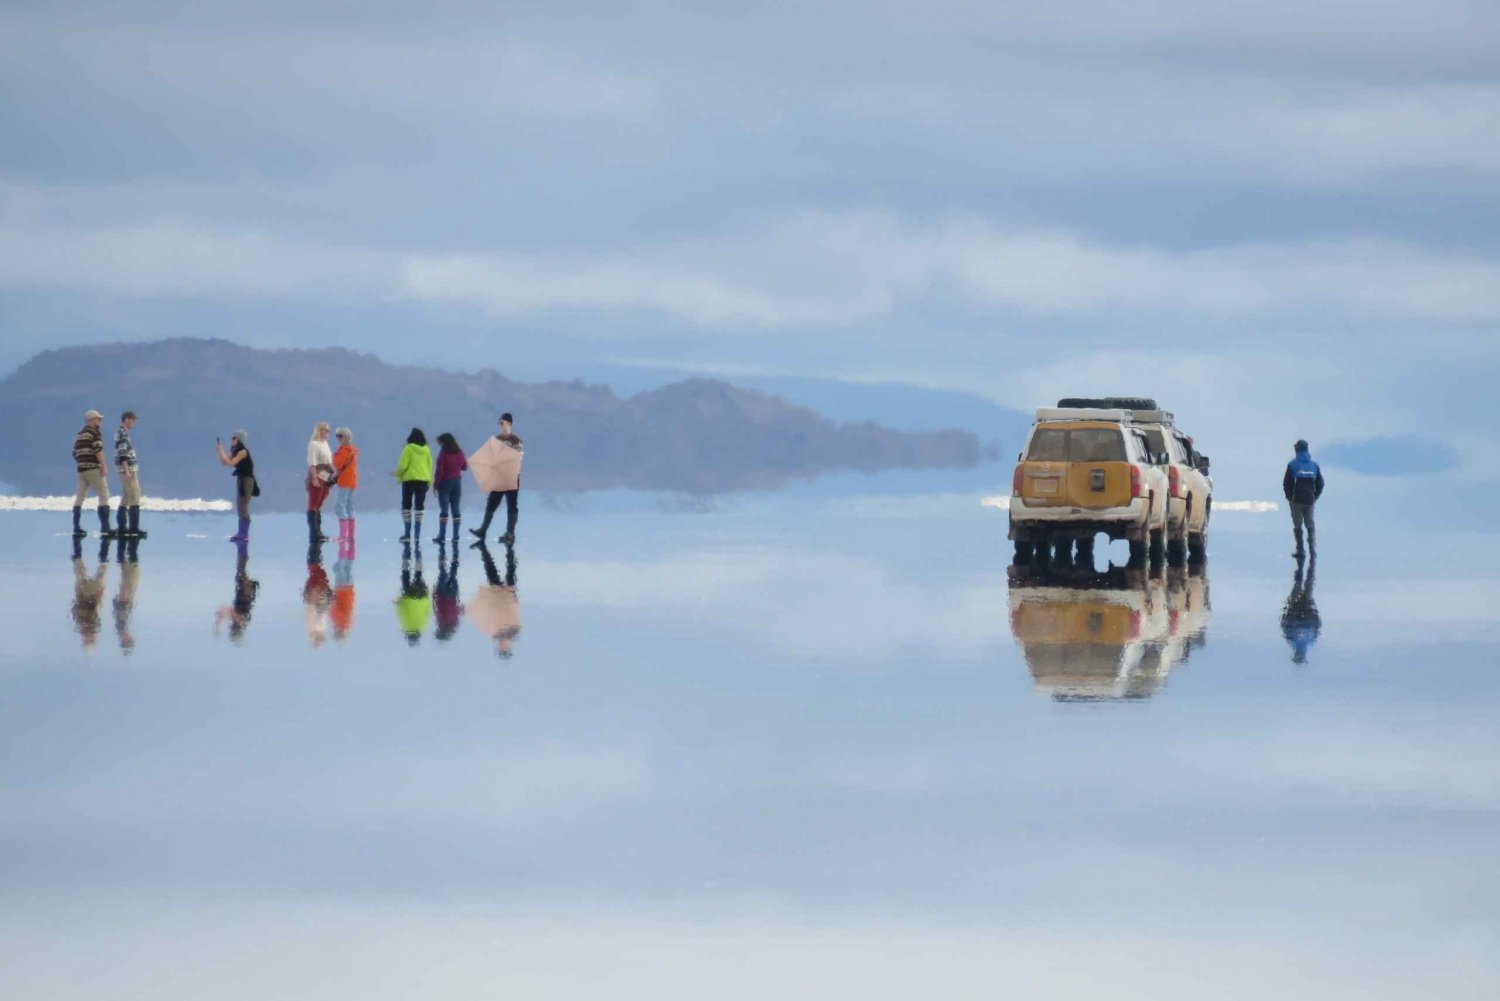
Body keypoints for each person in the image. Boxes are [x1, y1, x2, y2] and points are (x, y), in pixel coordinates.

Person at [471, 412, 524, 545]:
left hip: (512, 476)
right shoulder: (496, 439)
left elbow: (518, 457)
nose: (501, 425)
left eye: (503, 422)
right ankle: (483, 530)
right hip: (498, 477)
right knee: (491, 503)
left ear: (509, 423)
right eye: (499, 423)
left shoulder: (516, 440)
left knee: (512, 505)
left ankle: (510, 533)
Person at [71, 409, 114, 538]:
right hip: (93, 469)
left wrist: (81, 461)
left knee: (80, 498)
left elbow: (74, 453)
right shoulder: (95, 433)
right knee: (104, 495)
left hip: (81, 470)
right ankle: (105, 528)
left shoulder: (79, 434)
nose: (99, 421)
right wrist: (103, 466)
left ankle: (76, 527)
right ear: (91, 420)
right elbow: (98, 450)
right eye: (97, 419)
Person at [1282, 439, 1325, 559]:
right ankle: (1312, 549)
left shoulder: (1292, 465)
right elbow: (1320, 483)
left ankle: (1300, 550)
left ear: (1297, 450)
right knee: (1310, 523)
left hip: (1296, 501)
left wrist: (1289, 497)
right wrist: (1315, 496)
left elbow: (1287, 484)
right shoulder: (1314, 465)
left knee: (1297, 525)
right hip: (1310, 500)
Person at [216, 430, 258, 543]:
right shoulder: (236, 451)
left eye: (234, 438)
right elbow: (225, 462)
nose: (232, 439)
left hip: (246, 481)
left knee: (242, 507)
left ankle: (244, 534)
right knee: (240, 507)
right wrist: (220, 452)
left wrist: (221, 451)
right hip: (242, 480)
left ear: (239, 439)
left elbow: (230, 463)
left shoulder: (242, 452)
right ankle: (241, 533)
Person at [393, 427, 434, 543]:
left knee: (406, 505)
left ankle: (407, 534)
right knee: (419, 506)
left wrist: (397, 473)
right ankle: (417, 535)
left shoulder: (408, 448)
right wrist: (429, 480)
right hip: (423, 480)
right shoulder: (427, 450)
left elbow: (403, 465)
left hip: (409, 480)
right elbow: (430, 465)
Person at [1280, 556, 1321, 665]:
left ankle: (1305, 561)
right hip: (1304, 615)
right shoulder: (1304, 640)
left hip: (1299, 615)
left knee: (1303, 585)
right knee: (1304, 586)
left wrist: (1286, 611)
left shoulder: (1295, 640)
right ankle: (1307, 561)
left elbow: (1285, 624)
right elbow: (1316, 626)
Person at [114, 410, 148, 539]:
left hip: (126, 469)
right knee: (134, 496)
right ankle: (134, 529)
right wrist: (127, 470)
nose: (134, 423)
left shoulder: (123, 433)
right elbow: (122, 453)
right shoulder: (122, 433)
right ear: (127, 419)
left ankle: (123, 527)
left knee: (126, 497)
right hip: (128, 470)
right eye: (133, 420)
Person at [432, 432, 468, 544]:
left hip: (445, 483)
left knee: (444, 510)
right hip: (457, 482)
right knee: (456, 509)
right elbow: (465, 467)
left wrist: (435, 485)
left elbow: (439, 471)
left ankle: (441, 536)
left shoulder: (443, 454)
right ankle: (456, 535)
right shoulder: (460, 452)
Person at [395, 542, 431, 645]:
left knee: (418, 575)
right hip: (409, 596)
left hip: (422, 595)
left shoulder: (423, 626)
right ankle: (406, 552)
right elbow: (402, 612)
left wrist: (427, 596)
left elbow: (427, 611)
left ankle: (418, 553)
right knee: (405, 577)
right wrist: (399, 602)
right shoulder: (406, 626)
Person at [306, 421, 335, 543]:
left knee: (319, 503)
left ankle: (319, 530)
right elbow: (312, 463)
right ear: (319, 430)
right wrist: (314, 478)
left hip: (326, 476)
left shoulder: (325, 444)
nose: (327, 433)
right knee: (314, 503)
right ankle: (314, 532)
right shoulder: (314, 444)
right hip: (318, 475)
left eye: (328, 430)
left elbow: (328, 461)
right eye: (324, 430)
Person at [331, 427, 359, 540]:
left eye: (340, 436)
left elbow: (337, 463)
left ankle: (343, 535)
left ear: (345, 437)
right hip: (352, 480)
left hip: (345, 481)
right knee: (350, 507)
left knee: (340, 507)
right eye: (337, 436)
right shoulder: (353, 450)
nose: (338, 438)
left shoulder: (344, 450)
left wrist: (334, 455)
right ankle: (351, 535)